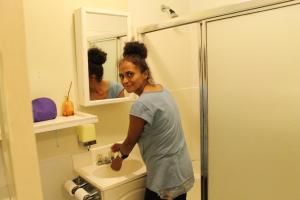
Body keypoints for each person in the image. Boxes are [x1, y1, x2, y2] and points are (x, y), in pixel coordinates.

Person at [110, 41, 194, 200]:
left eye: (130, 74)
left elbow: (130, 142)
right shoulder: (163, 90)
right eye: (121, 76)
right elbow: (155, 130)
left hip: (166, 180)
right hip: (182, 172)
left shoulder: (141, 104)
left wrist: (119, 159)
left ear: (145, 74)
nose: (125, 80)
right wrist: (123, 145)